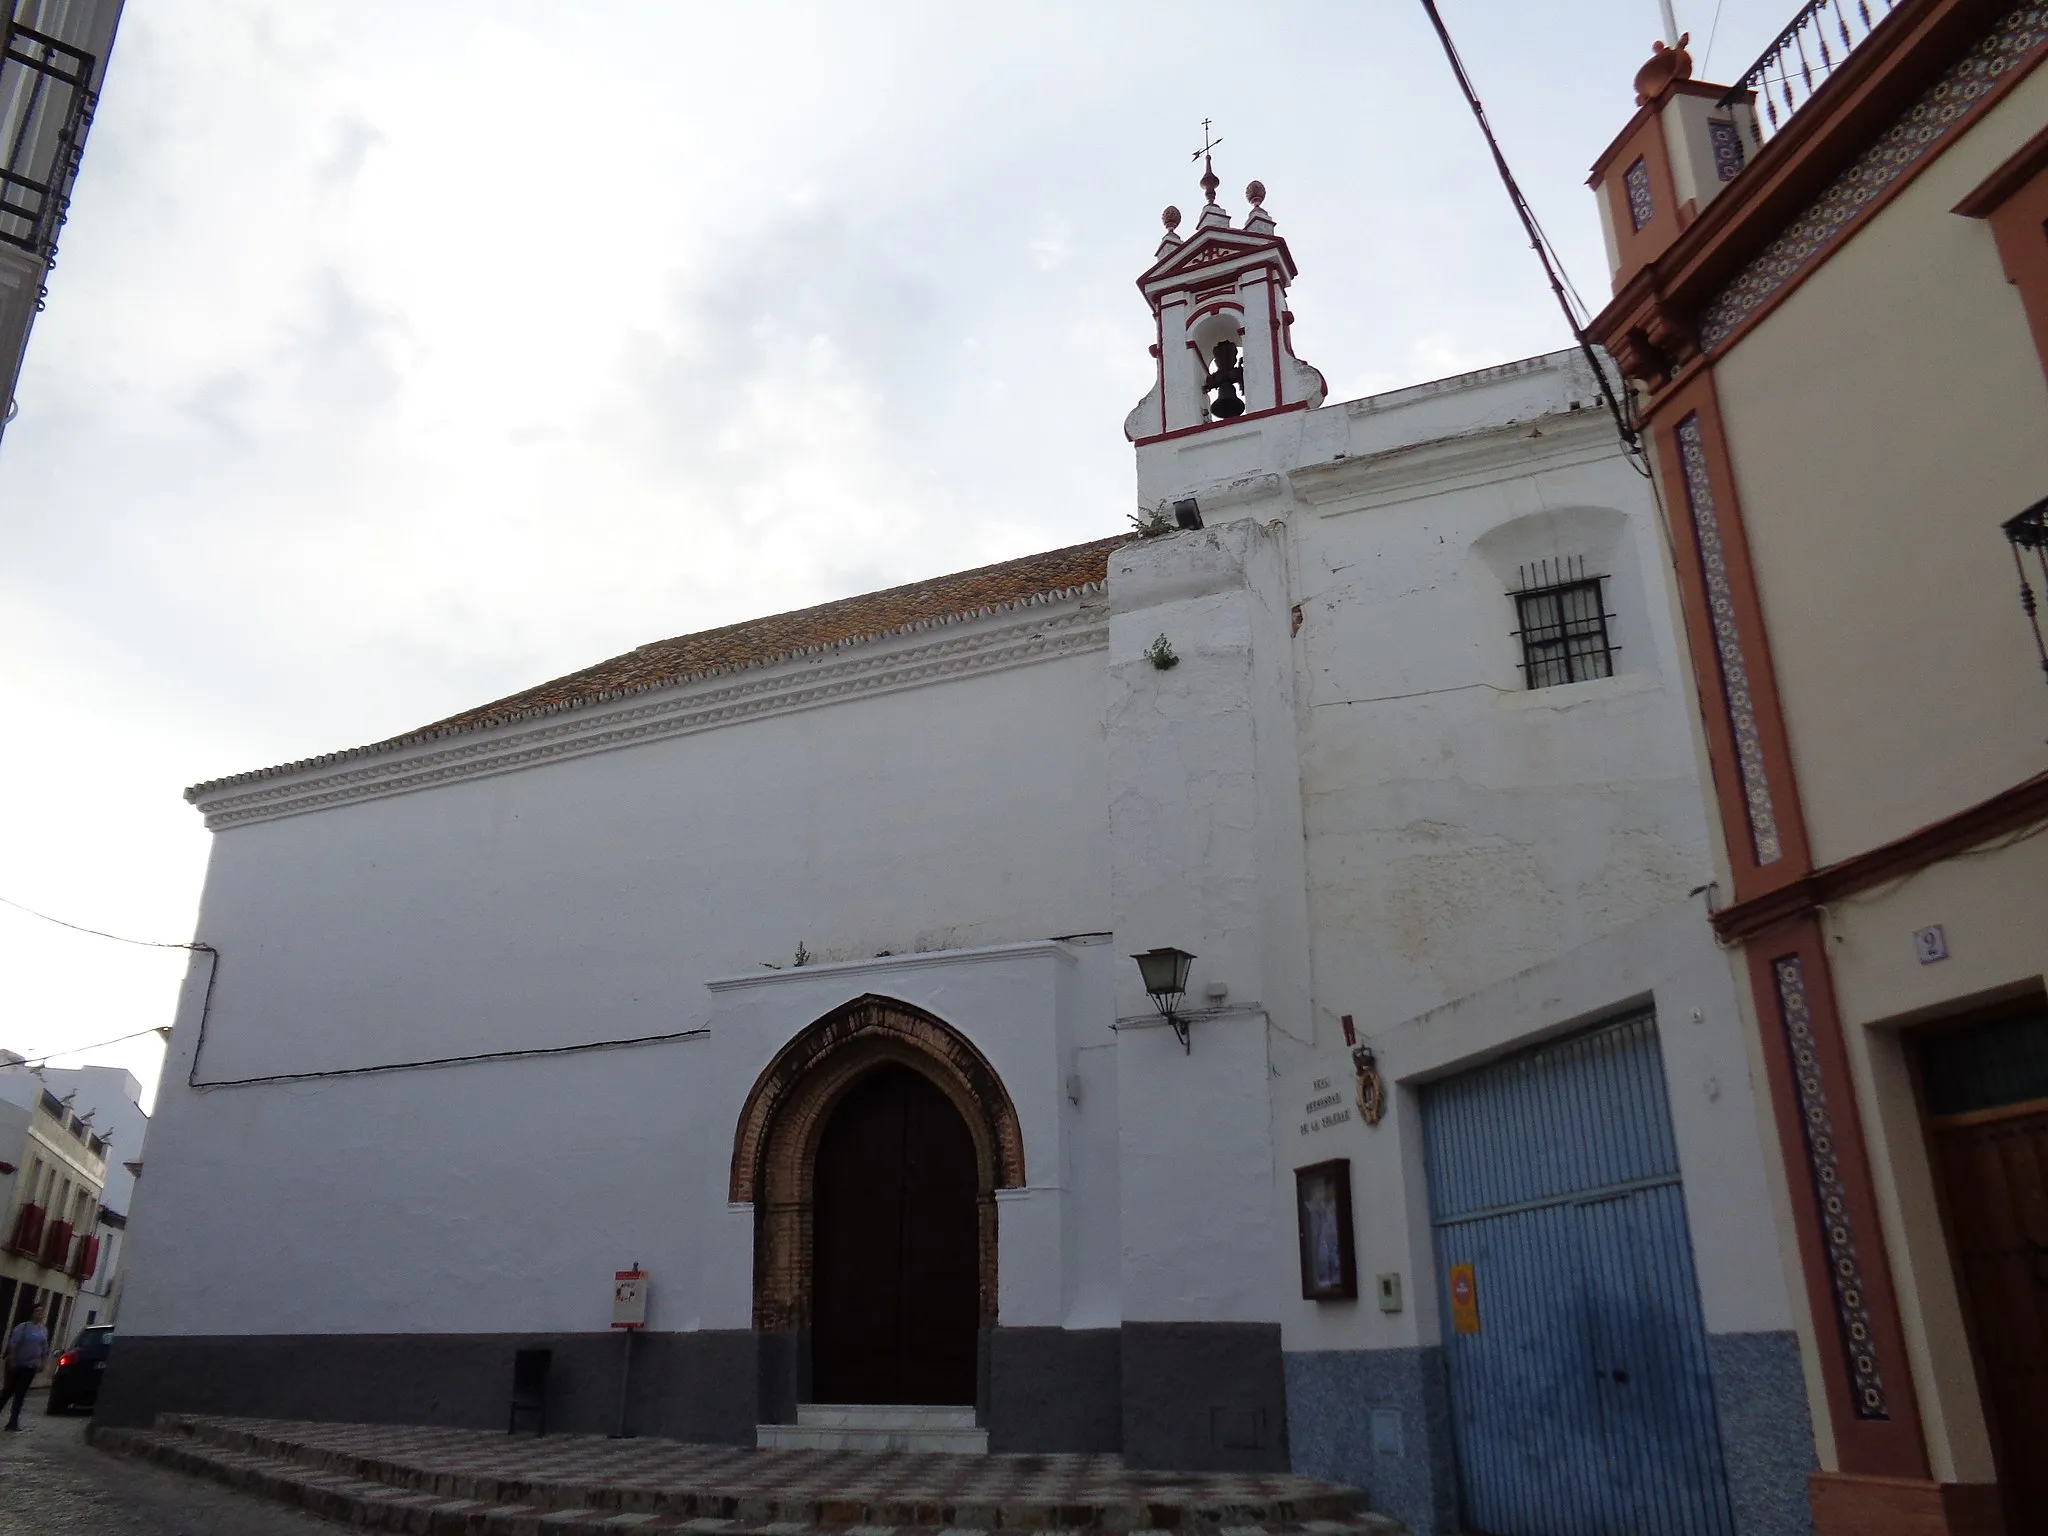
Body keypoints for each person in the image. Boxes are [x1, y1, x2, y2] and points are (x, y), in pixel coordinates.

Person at [1, 1305, 49, 1430]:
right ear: (32, 1313)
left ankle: (13, 1422)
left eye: (41, 1312)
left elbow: (44, 1348)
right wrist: (12, 1360)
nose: (40, 1314)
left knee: (21, 1395)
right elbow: (13, 1344)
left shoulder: (43, 1330)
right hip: (17, 1364)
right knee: (8, 1391)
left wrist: (43, 1363)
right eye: (37, 1311)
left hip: (30, 1366)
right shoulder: (23, 1327)